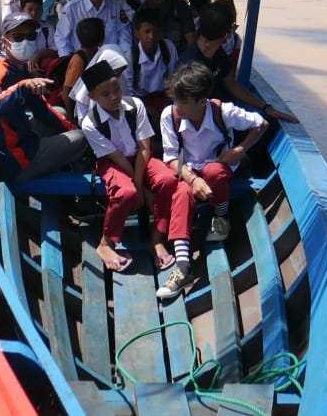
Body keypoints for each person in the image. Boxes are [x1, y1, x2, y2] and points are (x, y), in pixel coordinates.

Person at [156, 61, 267, 299]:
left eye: (183, 101)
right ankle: (183, 268)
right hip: (189, 171)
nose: (177, 106)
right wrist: (192, 180)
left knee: (214, 173)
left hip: (218, 165)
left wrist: (239, 149)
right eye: (175, 99)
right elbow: (171, 157)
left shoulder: (223, 111)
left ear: (201, 101)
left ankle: (220, 216)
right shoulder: (170, 115)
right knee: (181, 194)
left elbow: (261, 124)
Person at [79, 61, 184, 272]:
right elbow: (116, 156)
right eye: (105, 94)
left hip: (141, 157)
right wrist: (139, 188)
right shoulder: (90, 123)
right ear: (92, 97)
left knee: (167, 179)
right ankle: (106, 243)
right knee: (126, 192)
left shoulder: (135, 105)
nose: (114, 97)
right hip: (113, 163)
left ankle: (157, 238)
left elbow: (145, 147)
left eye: (117, 89)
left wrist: (139, 182)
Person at [0, 12, 88, 183]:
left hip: (20, 137)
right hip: (11, 159)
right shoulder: (0, 70)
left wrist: (70, 127)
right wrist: (21, 87)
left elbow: (41, 108)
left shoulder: (20, 68)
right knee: (81, 139)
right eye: (18, 37)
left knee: (60, 113)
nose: (25, 41)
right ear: (5, 41)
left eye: (30, 36)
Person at [178, 2, 298, 123]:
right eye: (231, 28)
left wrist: (265, 107)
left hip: (224, 113)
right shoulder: (188, 65)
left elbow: (231, 84)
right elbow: (187, 107)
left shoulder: (218, 52)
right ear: (225, 35)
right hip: (207, 120)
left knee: (269, 120)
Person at [124, 7, 179, 125]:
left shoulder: (168, 48)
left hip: (165, 98)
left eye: (156, 32)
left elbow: (174, 78)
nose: (151, 37)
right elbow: (129, 93)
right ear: (137, 33)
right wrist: (149, 112)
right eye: (147, 32)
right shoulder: (131, 57)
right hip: (141, 102)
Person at [56, 17, 105, 119]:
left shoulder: (97, 54)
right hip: (76, 110)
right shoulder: (79, 60)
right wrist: (71, 118)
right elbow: (66, 93)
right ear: (101, 40)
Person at [70, 45, 128, 123]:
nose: (118, 75)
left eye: (121, 72)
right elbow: (83, 120)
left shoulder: (120, 79)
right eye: (116, 71)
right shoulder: (88, 89)